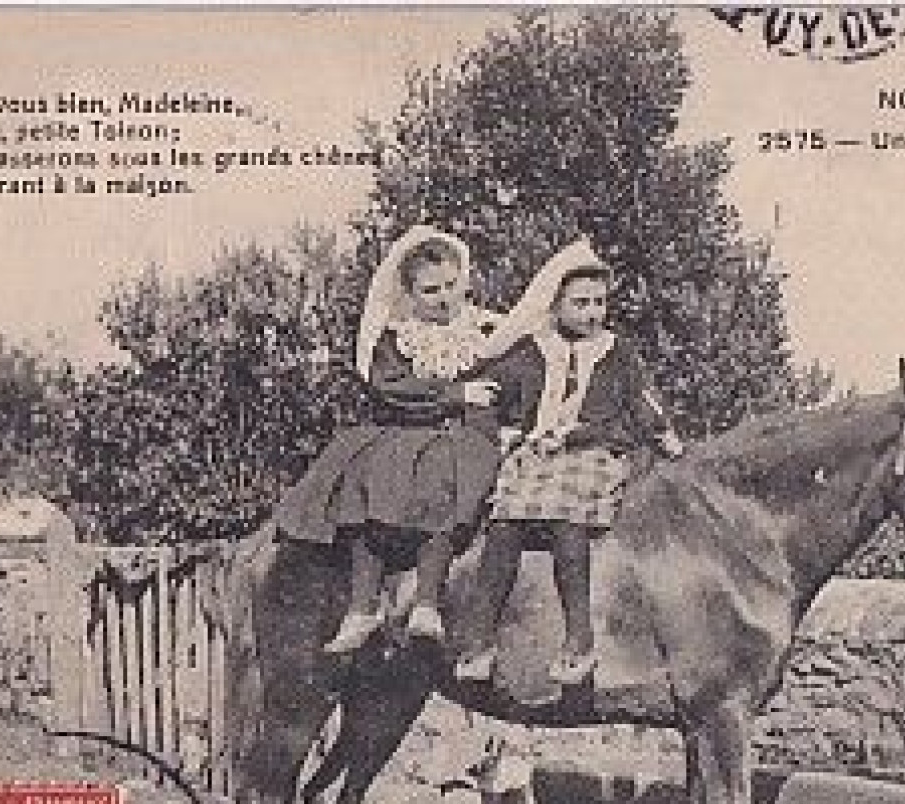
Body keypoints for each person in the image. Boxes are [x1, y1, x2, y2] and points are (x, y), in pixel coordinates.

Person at [453, 239, 683, 685]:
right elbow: (485, 392)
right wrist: (497, 429)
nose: (592, 312)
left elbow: (642, 404)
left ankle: (579, 640)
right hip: (537, 455)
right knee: (504, 520)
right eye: (580, 303)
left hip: (592, 451)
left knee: (567, 516)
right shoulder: (532, 351)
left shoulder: (617, 354)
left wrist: (666, 437)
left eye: (599, 302)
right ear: (554, 306)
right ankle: (479, 641)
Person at [273, 225, 504, 653]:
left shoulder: (487, 330)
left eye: (451, 285)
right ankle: (362, 606)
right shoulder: (397, 338)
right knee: (365, 471)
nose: (443, 298)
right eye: (430, 290)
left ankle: (427, 601)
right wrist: (454, 393)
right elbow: (389, 388)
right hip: (407, 427)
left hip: (464, 435)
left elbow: (516, 377)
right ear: (411, 295)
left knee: (451, 476)